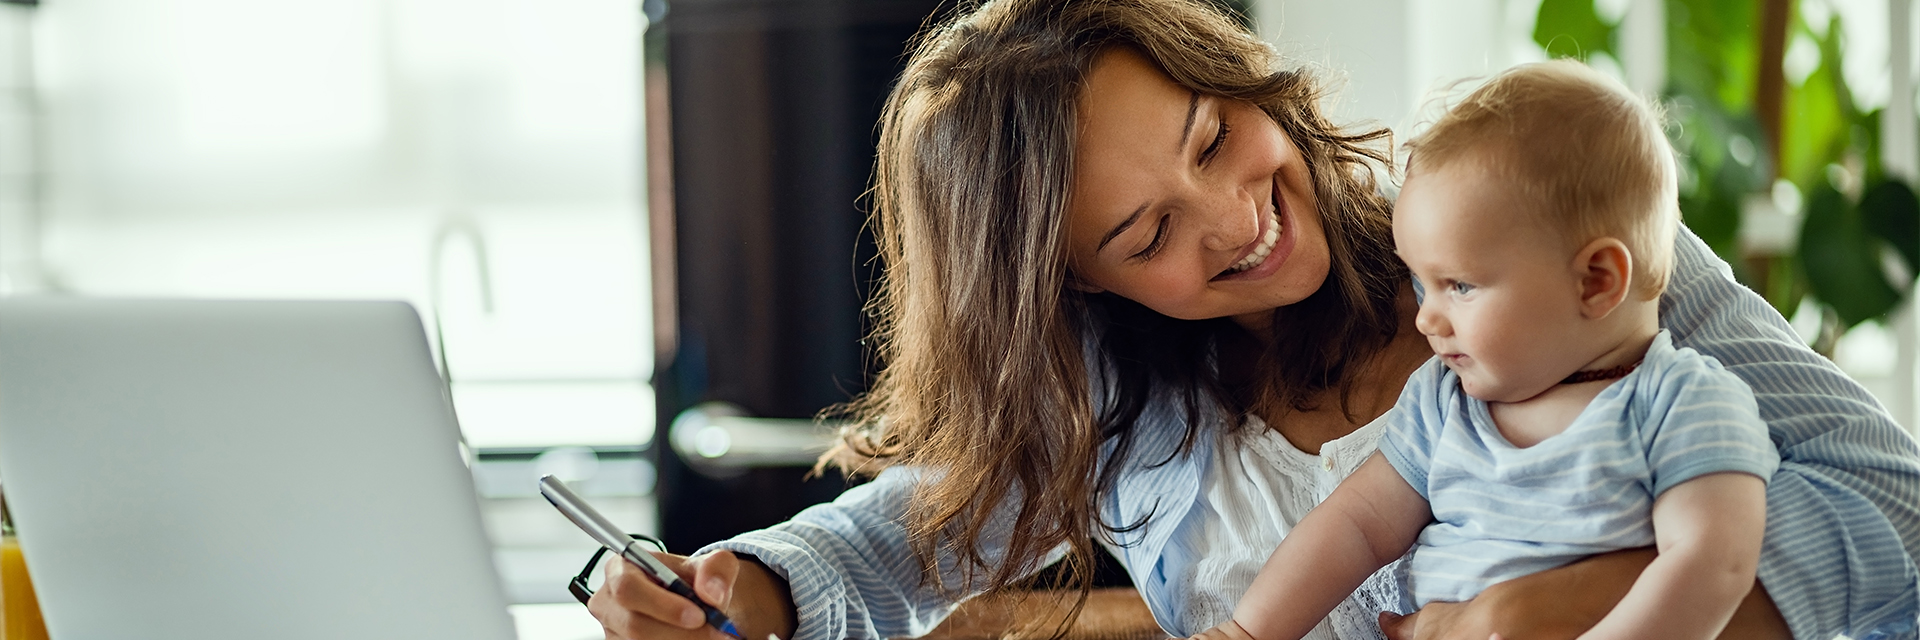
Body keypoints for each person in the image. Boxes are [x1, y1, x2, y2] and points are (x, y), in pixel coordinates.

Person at [585, 0, 1920, 638]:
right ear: (1079, 289)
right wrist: (736, 591)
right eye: (1146, 234)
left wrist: (1621, 599)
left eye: (1216, 138)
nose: (1234, 217)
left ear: (1237, 77)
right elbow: (892, 543)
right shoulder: (1129, 402)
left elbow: (1892, 504)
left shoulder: (1546, 236)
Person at [1193, 61, 1779, 640]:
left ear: (1596, 281)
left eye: (1460, 286)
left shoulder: (1681, 404)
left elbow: (1712, 565)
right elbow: (1356, 527)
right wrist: (1245, 631)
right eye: (1421, 281)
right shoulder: (1443, 404)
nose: (1426, 316)